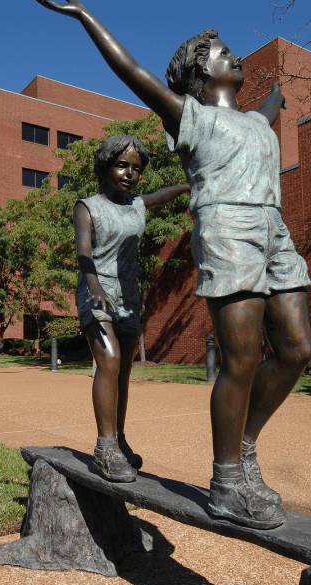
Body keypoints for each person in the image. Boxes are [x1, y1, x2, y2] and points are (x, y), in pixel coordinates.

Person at [38, 1, 311, 529]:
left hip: (273, 228)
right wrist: (81, 14)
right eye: (222, 53)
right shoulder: (190, 117)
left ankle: (246, 446)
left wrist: (288, 83)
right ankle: (227, 481)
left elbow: (273, 104)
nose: (234, 57)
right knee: (241, 358)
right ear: (197, 72)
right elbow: (131, 71)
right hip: (228, 231)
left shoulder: (256, 122)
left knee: (299, 347)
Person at [76, 135, 190, 483]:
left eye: (136, 169)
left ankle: (119, 439)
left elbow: (161, 195)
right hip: (95, 291)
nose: (129, 174)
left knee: (123, 370)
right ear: (106, 166)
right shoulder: (87, 206)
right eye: (122, 165)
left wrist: (187, 185)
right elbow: (83, 250)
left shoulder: (138, 204)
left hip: (127, 295)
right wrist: (94, 285)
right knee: (108, 361)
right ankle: (104, 448)